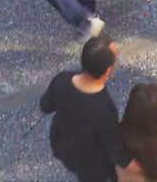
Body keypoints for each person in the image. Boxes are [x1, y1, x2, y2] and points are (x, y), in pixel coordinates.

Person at [42, 36, 126, 182]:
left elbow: (45, 106)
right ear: (107, 71)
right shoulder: (105, 108)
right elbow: (112, 148)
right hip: (92, 164)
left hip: (63, 146)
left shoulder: (62, 80)